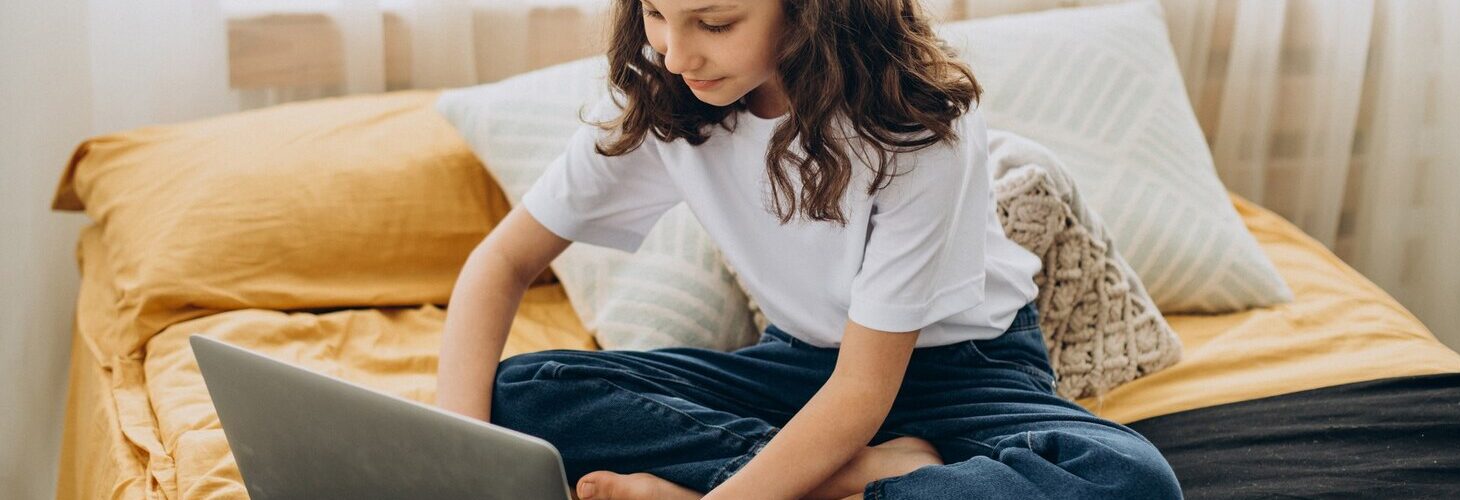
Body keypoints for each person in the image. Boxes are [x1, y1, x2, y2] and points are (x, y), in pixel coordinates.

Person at [436, 0, 1184, 498]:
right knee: (520, 394)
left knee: (1127, 479)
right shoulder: (663, 103)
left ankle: (821, 478)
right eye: (656, 13)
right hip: (800, 366)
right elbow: (501, 265)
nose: (674, 53)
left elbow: (864, 390)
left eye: (716, 21)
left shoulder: (917, 128)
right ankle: (878, 476)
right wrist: (458, 462)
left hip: (966, 370)